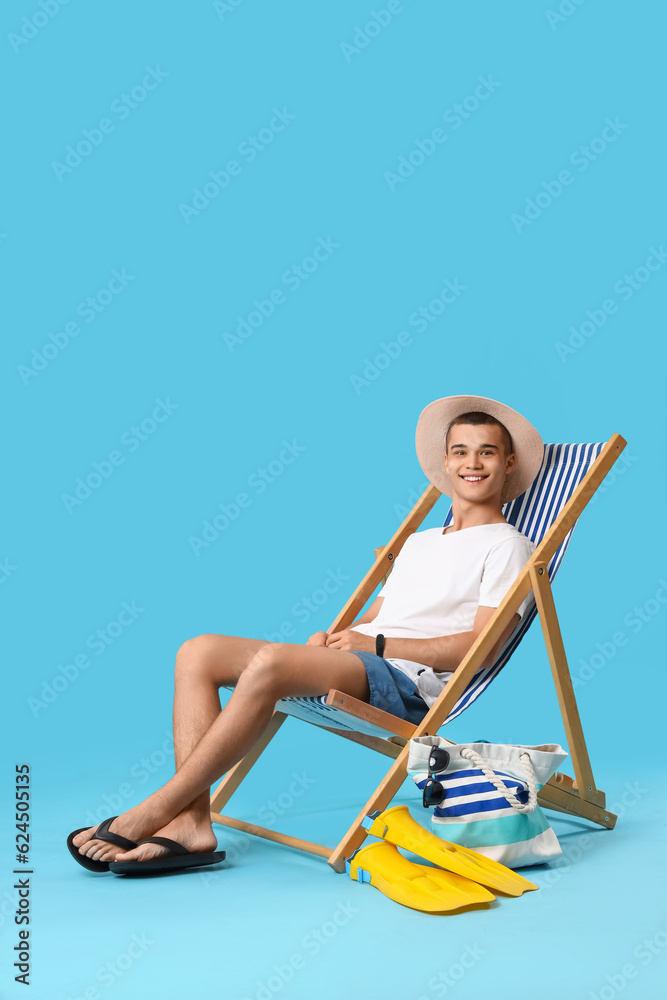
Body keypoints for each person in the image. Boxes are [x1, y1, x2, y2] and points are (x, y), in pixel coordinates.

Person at [69, 394, 543, 872]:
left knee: (272, 664)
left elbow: (480, 650)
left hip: (406, 684)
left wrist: (373, 645)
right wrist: (339, 640)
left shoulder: (508, 546)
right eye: (460, 450)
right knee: (197, 652)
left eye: (486, 451)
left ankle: (153, 809)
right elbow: (380, 616)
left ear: (508, 463)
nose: (472, 462)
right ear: (445, 462)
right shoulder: (419, 544)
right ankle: (191, 822)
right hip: (364, 661)